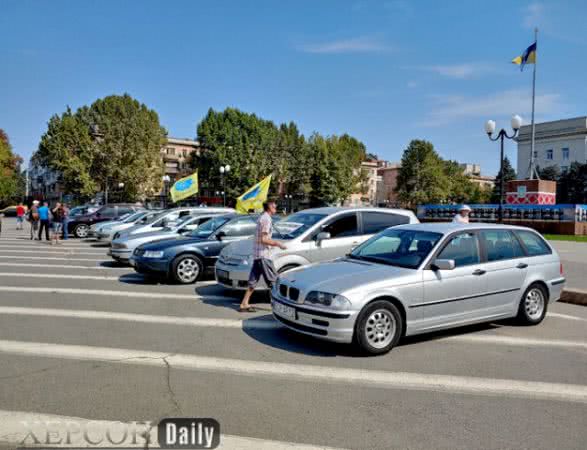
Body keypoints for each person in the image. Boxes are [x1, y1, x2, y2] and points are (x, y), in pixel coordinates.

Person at [239, 200, 286, 313]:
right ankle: (278, 306)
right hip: (264, 255)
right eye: (274, 205)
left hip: (258, 255)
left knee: (253, 282)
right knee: (274, 281)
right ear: (270, 207)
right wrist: (278, 244)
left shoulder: (262, 217)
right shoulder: (266, 219)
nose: (276, 207)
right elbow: (264, 239)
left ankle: (244, 304)